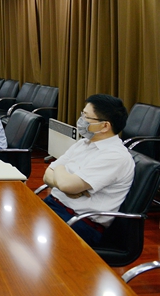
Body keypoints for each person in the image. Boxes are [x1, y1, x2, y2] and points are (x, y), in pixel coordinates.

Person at [42, 94, 133, 246]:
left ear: (105, 126)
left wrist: (59, 169)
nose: (81, 120)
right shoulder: (84, 143)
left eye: (86, 116)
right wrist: (64, 182)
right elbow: (47, 176)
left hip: (79, 223)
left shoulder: (115, 156)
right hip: (54, 205)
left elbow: (65, 184)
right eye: (82, 114)